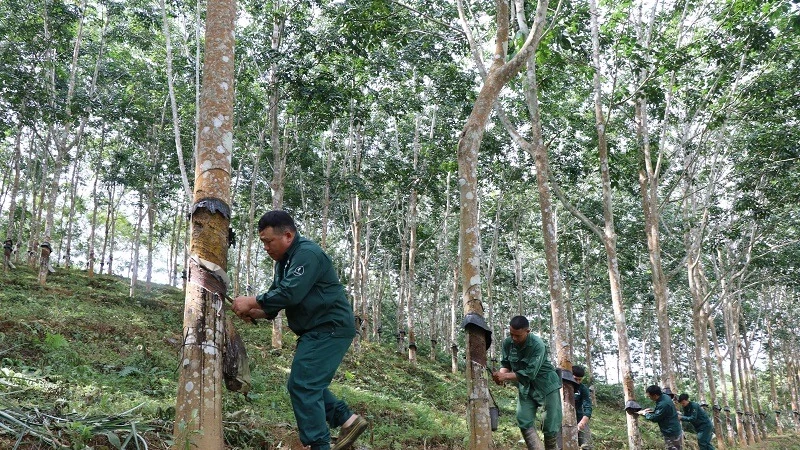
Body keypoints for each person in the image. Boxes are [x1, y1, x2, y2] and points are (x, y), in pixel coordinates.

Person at [232, 210, 367, 450]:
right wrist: (257, 311)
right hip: (315, 330)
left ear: (287, 235)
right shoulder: (283, 263)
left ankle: (318, 444)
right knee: (306, 383)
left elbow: (290, 293)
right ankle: (348, 420)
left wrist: (251, 300)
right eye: (262, 242)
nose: (265, 247)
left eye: (268, 241)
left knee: (303, 383)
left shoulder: (307, 253)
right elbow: (278, 301)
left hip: (329, 327)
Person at [492, 316, 562, 450]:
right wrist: (500, 375)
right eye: (511, 334)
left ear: (527, 331)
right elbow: (505, 363)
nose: (514, 338)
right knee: (523, 419)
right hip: (526, 388)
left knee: (550, 425)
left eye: (517, 335)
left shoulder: (538, 345)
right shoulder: (508, 343)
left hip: (546, 386)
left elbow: (530, 373)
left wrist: (505, 376)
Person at [638, 385, 683, 450]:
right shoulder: (665, 396)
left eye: (649, 396)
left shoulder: (663, 403)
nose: (649, 398)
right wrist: (652, 410)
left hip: (671, 433)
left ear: (655, 395)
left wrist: (645, 414)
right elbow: (663, 411)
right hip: (674, 430)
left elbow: (656, 418)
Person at [572, 365, 593, 449]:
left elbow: (588, 406)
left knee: (587, 445)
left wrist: (582, 423)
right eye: (575, 379)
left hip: (579, 418)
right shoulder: (561, 386)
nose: (577, 382)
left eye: (580, 379)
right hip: (561, 420)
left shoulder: (583, 388)